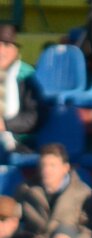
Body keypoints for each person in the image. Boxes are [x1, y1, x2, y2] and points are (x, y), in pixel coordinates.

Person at [17, 143, 92, 238]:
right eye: (43, 165)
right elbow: (16, 223)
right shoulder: (26, 190)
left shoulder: (83, 194)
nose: (46, 170)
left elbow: (89, 230)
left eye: (52, 165)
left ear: (65, 168)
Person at [0, 23, 42, 156]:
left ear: (16, 50)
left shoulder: (27, 76)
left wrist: (5, 124)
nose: (1, 51)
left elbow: (33, 116)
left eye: (7, 45)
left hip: (19, 140)